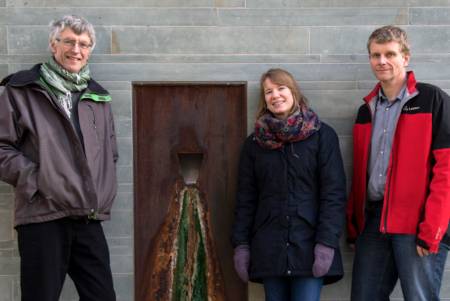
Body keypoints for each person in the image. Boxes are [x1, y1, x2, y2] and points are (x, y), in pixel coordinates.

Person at [0, 15, 118, 301]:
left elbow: (110, 154)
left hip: (88, 217)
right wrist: (40, 180)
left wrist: (103, 192)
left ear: (89, 50)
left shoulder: (98, 97)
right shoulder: (20, 90)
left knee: (103, 296)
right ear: (54, 46)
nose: (76, 49)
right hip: (43, 214)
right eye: (69, 41)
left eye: (84, 44)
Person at [346, 25, 450, 301]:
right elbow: (360, 174)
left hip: (417, 224)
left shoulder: (432, 100)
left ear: (405, 57)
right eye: (375, 55)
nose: (382, 61)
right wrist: (355, 224)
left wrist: (433, 228)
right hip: (374, 224)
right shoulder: (365, 110)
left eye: (390, 54)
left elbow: (446, 170)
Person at [231, 68, 347, 301]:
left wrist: (326, 243)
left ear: (293, 91)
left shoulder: (322, 136)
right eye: (268, 91)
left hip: (309, 246)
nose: (275, 95)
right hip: (269, 247)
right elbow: (246, 198)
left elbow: (333, 194)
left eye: (281, 88)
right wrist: (241, 244)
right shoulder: (254, 144)